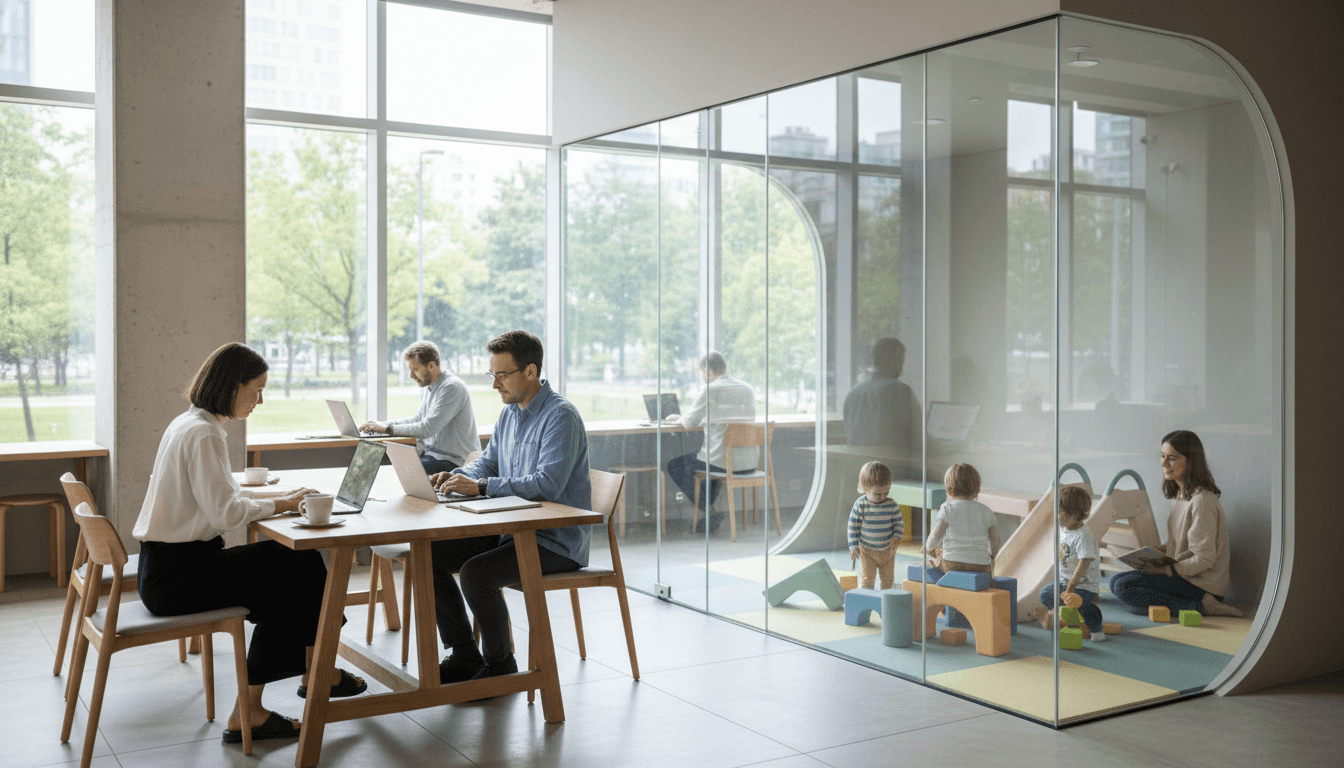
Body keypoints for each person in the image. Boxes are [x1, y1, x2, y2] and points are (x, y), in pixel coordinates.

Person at [132, 343, 366, 747]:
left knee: (293, 572)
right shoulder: (205, 433)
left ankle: (294, 685)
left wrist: (284, 500)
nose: (261, 399)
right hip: (177, 577)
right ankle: (312, 674)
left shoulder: (190, 423)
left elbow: (222, 502)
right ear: (231, 385)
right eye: (256, 389)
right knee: (297, 567)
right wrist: (284, 503)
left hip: (166, 569)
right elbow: (225, 514)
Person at [427, 330, 592, 684]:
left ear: (530, 372)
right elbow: (487, 463)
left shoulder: (561, 416)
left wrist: (482, 487)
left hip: (555, 541)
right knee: (427, 554)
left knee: (476, 573)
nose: (494, 384)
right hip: (511, 532)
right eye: (493, 375)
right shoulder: (510, 413)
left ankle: (501, 665)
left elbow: (547, 485)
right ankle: (464, 653)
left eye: (502, 375)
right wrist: (455, 476)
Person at [1110, 430, 1242, 617]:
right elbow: (1185, 544)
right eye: (1162, 457)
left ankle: (1203, 606)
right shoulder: (1181, 495)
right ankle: (1187, 604)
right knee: (1115, 582)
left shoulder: (1201, 501)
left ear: (1191, 461)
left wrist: (1164, 570)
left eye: (1172, 458)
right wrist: (1159, 551)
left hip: (1202, 584)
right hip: (1184, 577)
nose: (1163, 463)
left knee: (1124, 587)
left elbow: (1204, 559)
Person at [664, 351, 757, 532]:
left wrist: (677, 418)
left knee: (675, 465)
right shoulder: (747, 388)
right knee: (706, 462)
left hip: (722, 463)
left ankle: (710, 511)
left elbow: (689, 421)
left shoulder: (711, 389)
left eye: (702, 374)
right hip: (749, 463)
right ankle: (710, 511)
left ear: (707, 371)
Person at [360, 340, 479, 475]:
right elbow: (418, 418)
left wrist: (387, 429)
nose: (411, 376)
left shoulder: (451, 387)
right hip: (435, 456)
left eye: (415, 370)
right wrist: (382, 425)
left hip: (456, 461)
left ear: (431, 366)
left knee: (399, 470)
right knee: (392, 463)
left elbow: (427, 428)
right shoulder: (429, 386)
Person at [1036, 486, 1107, 642]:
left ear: (1074, 516)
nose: (1056, 516)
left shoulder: (1083, 536)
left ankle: (1096, 628)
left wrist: (1072, 585)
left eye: (1059, 513)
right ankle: (1071, 619)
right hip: (1064, 581)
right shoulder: (1064, 529)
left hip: (1084, 585)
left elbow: (1084, 561)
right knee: (1046, 594)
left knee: (1079, 602)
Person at [843, 337, 923, 464]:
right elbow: (919, 437)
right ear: (893, 360)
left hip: (858, 470)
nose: (902, 367)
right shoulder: (899, 390)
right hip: (892, 470)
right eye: (901, 361)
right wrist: (945, 447)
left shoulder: (853, 392)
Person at [923, 463, 1001, 574]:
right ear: (977, 489)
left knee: (932, 562)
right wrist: (993, 555)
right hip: (981, 567)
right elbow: (996, 541)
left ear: (949, 489)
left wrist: (929, 548)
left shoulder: (947, 508)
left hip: (952, 564)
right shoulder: (986, 511)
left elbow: (936, 535)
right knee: (990, 566)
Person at [848, 461, 903, 590]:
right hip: (867, 552)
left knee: (888, 581)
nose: (882, 497)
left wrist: (896, 537)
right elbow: (853, 526)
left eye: (886, 493)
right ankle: (867, 603)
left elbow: (899, 524)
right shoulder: (861, 505)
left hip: (888, 552)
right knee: (867, 580)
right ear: (865, 488)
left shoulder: (891, 505)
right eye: (878, 494)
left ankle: (886, 603)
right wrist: (853, 547)